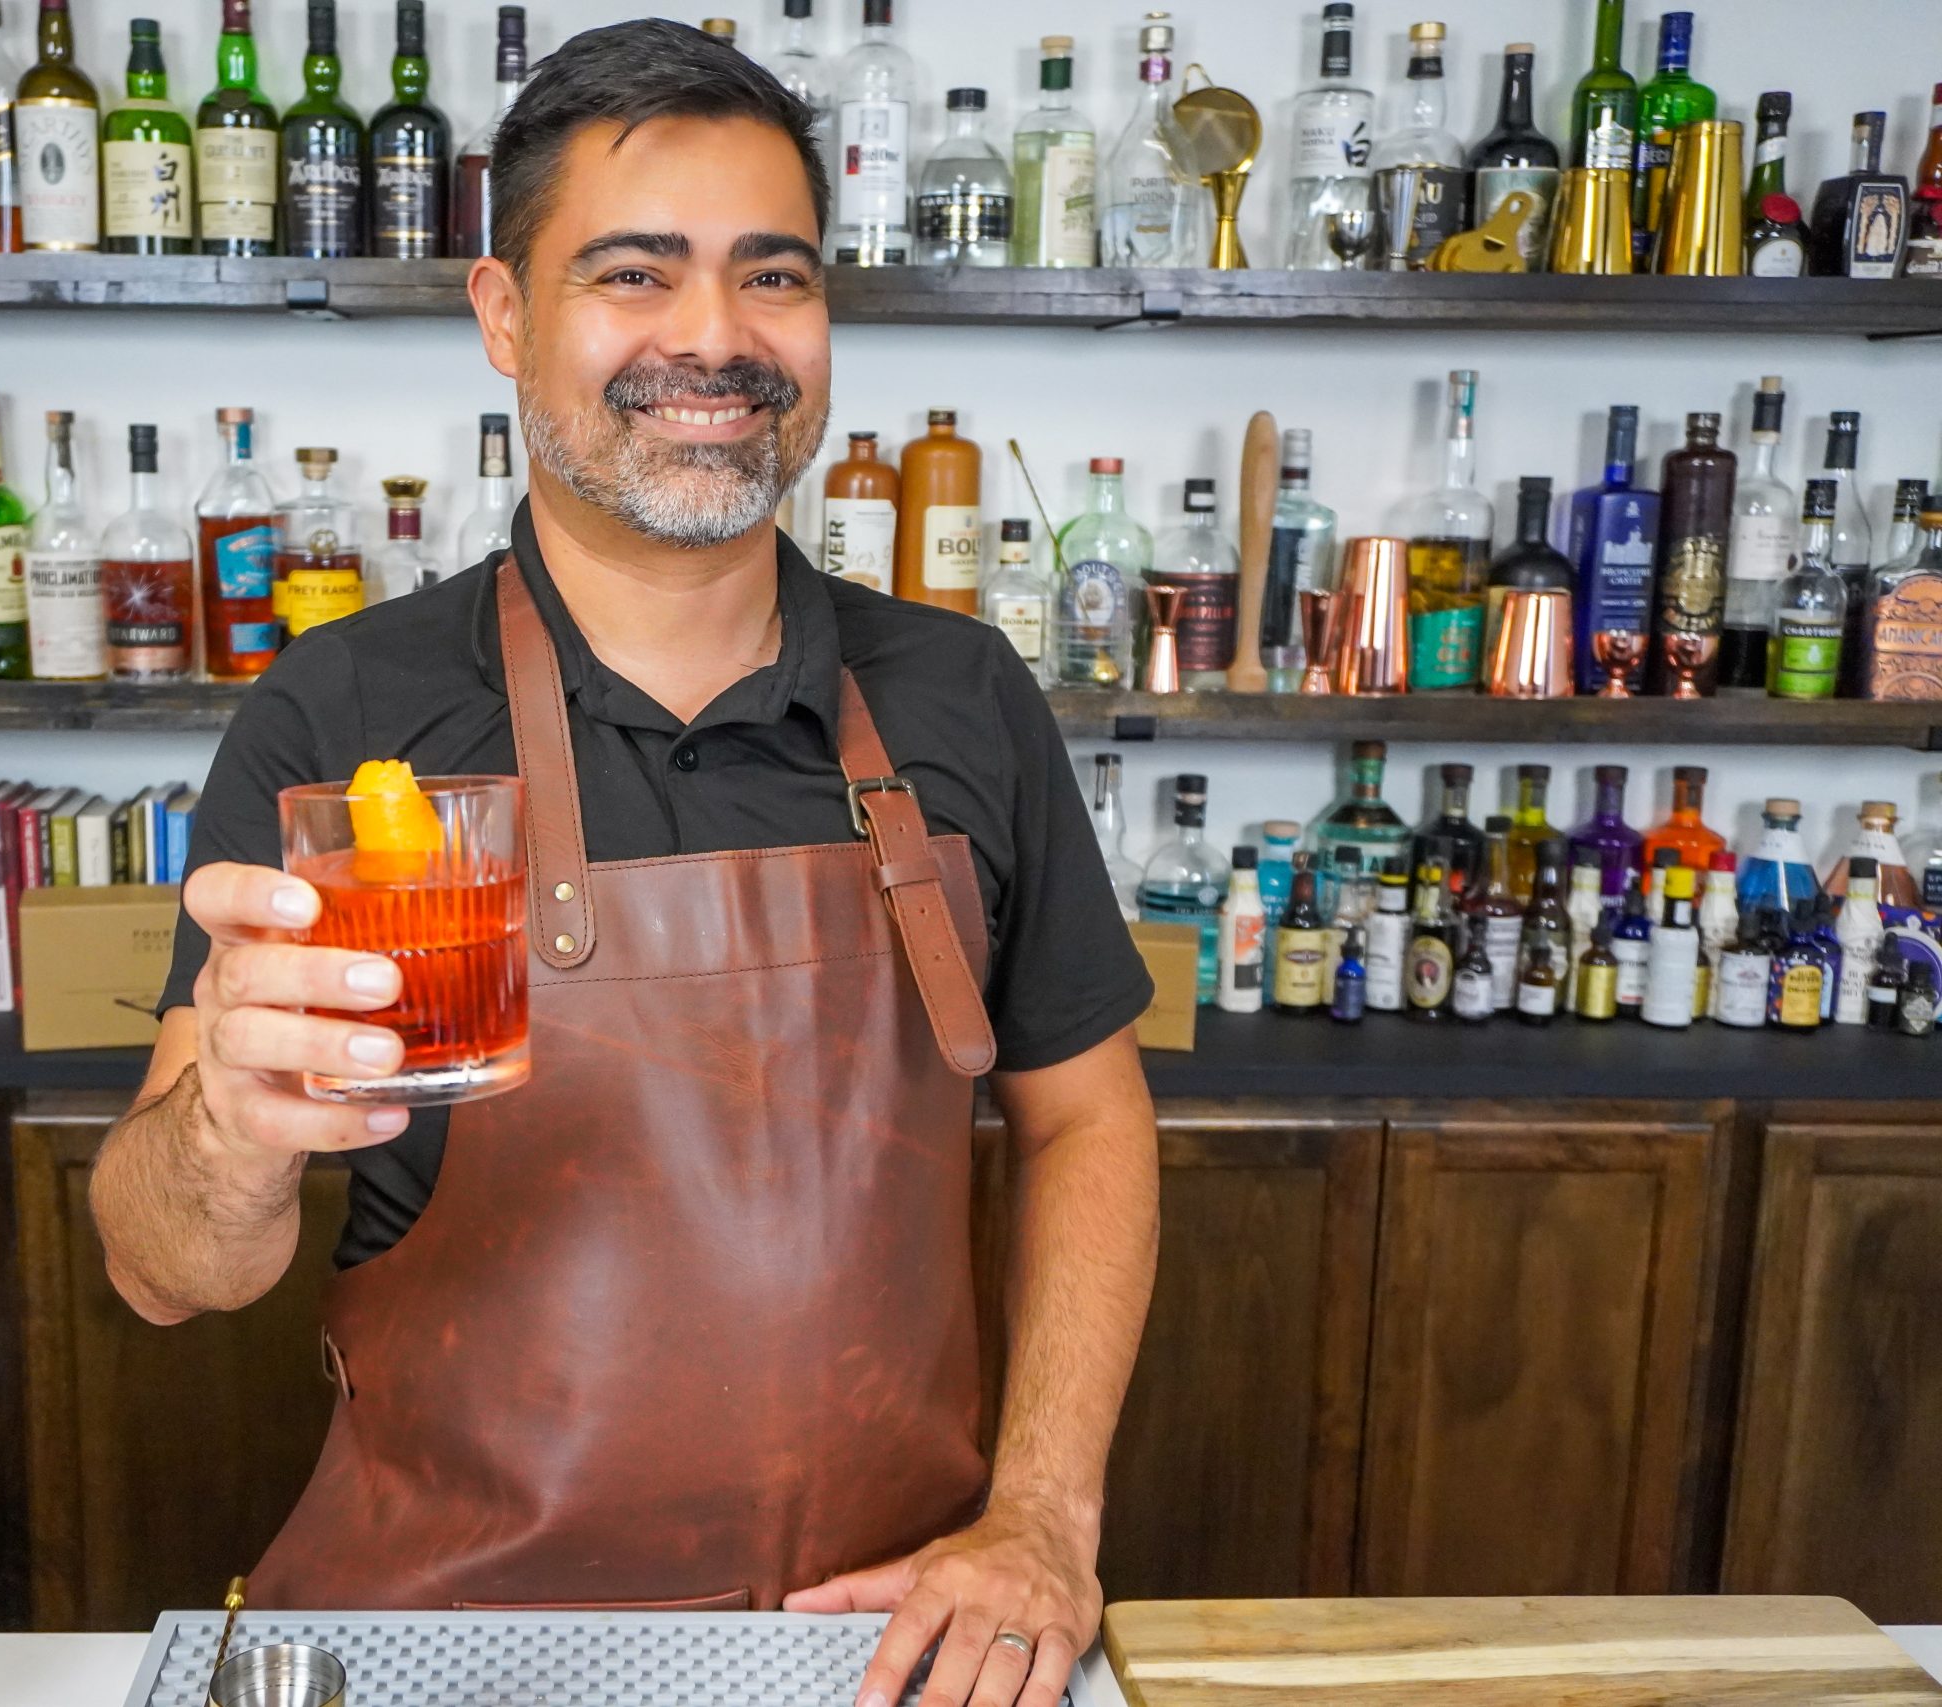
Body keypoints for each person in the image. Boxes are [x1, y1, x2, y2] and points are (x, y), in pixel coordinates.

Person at [90, 21, 1159, 1707]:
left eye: (775, 276)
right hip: (447, 1634)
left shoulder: (961, 696)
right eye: (635, 274)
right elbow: (163, 1275)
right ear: (504, 315)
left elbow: (1090, 1116)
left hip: (890, 1646)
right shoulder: (346, 715)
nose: (715, 340)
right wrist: (226, 1131)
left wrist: (1041, 1511)